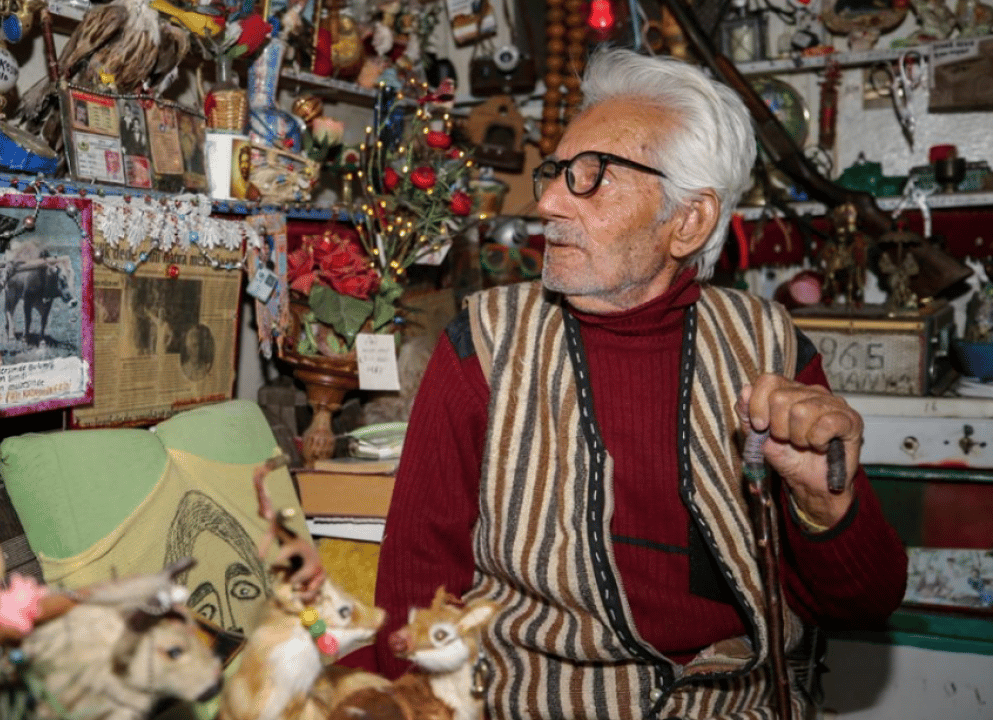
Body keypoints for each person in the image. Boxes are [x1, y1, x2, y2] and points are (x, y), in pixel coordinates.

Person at [363, 48, 907, 719]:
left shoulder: (773, 352)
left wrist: (828, 508)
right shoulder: (483, 345)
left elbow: (866, 600)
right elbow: (417, 584)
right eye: (558, 172)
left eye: (593, 177)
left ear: (689, 221)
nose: (548, 201)